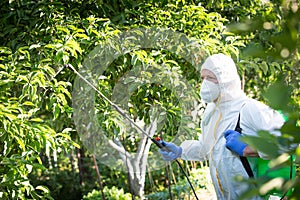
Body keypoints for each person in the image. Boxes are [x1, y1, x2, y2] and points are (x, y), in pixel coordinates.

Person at [158, 53, 286, 199]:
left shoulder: (249, 109)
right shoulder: (211, 113)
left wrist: (249, 149)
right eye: (203, 78)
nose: (205, 83)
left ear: (226, 80)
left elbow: (288, 141)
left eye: (211, 78)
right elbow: (208, 149)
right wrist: (180, 151)